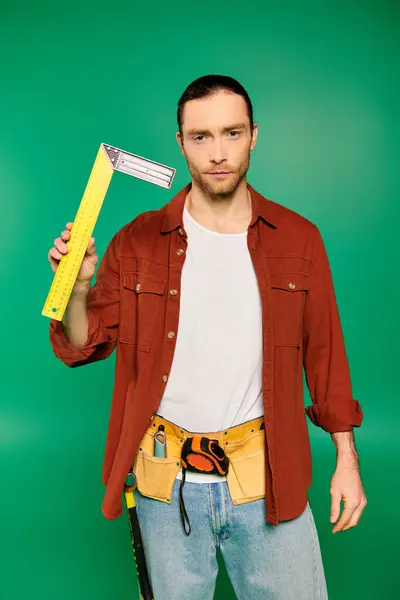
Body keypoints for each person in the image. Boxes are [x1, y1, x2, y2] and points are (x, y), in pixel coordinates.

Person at [48, 74, 367, 600]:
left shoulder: (299, 239)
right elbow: (84, 344)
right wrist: (78, 289)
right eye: (200, 137)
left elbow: (326, 359)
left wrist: (346, 463)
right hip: (163, 488)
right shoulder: (137, 242)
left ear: (254, 135)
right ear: (180, 144)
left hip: (267, 480)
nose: (218, 153)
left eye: (232, 133)